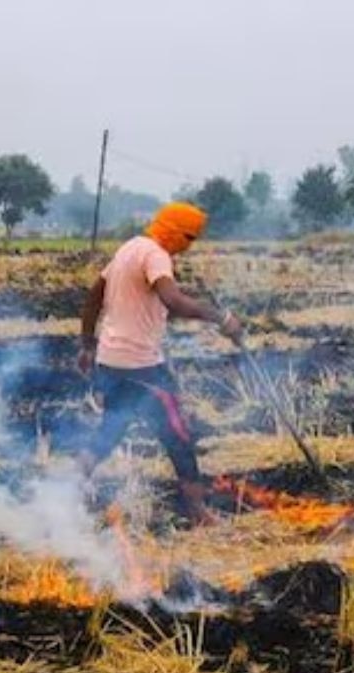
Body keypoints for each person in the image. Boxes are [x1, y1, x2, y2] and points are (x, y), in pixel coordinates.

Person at [76, 201, 242, 524]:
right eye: (189, 238)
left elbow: (94, 296)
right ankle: (197, 511)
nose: (189, 246)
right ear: (175, 232)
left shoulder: (129, 248)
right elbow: (173, 301)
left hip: (110, 361)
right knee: (177, 434)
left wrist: (86, 344)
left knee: (111, 430)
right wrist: (221, 317)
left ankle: (66, 488)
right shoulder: (155, 254)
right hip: (141, 365)